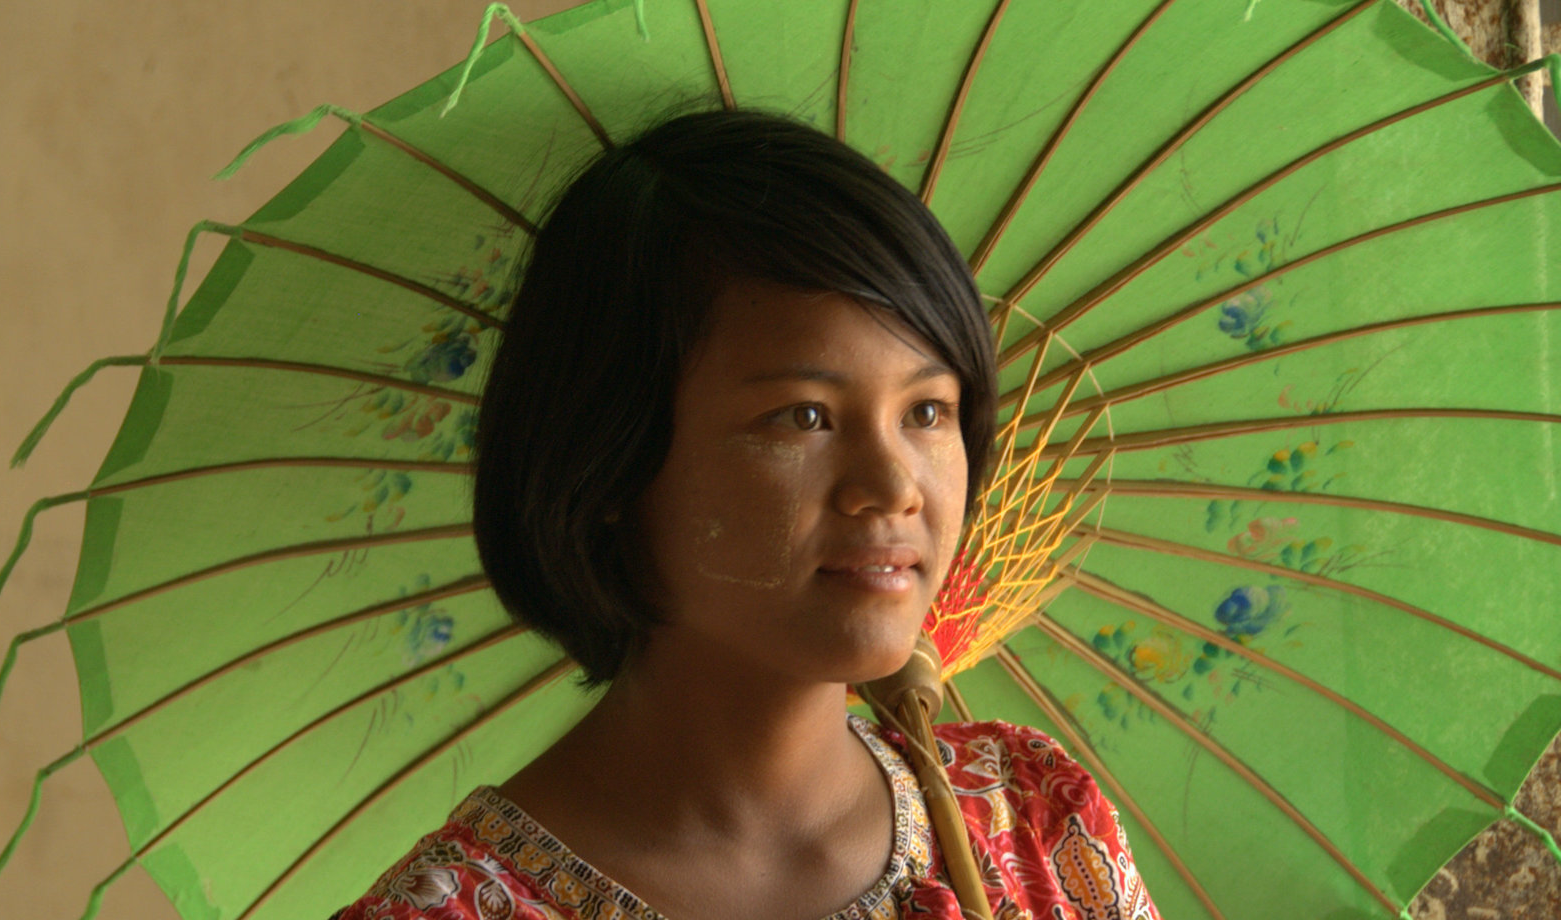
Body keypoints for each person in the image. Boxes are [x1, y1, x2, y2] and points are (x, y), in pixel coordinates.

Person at [333, 109, 1159, 920]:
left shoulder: (1033, 822)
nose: (893, 485)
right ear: (610, 457)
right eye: (803, 416)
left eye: (928, 411)